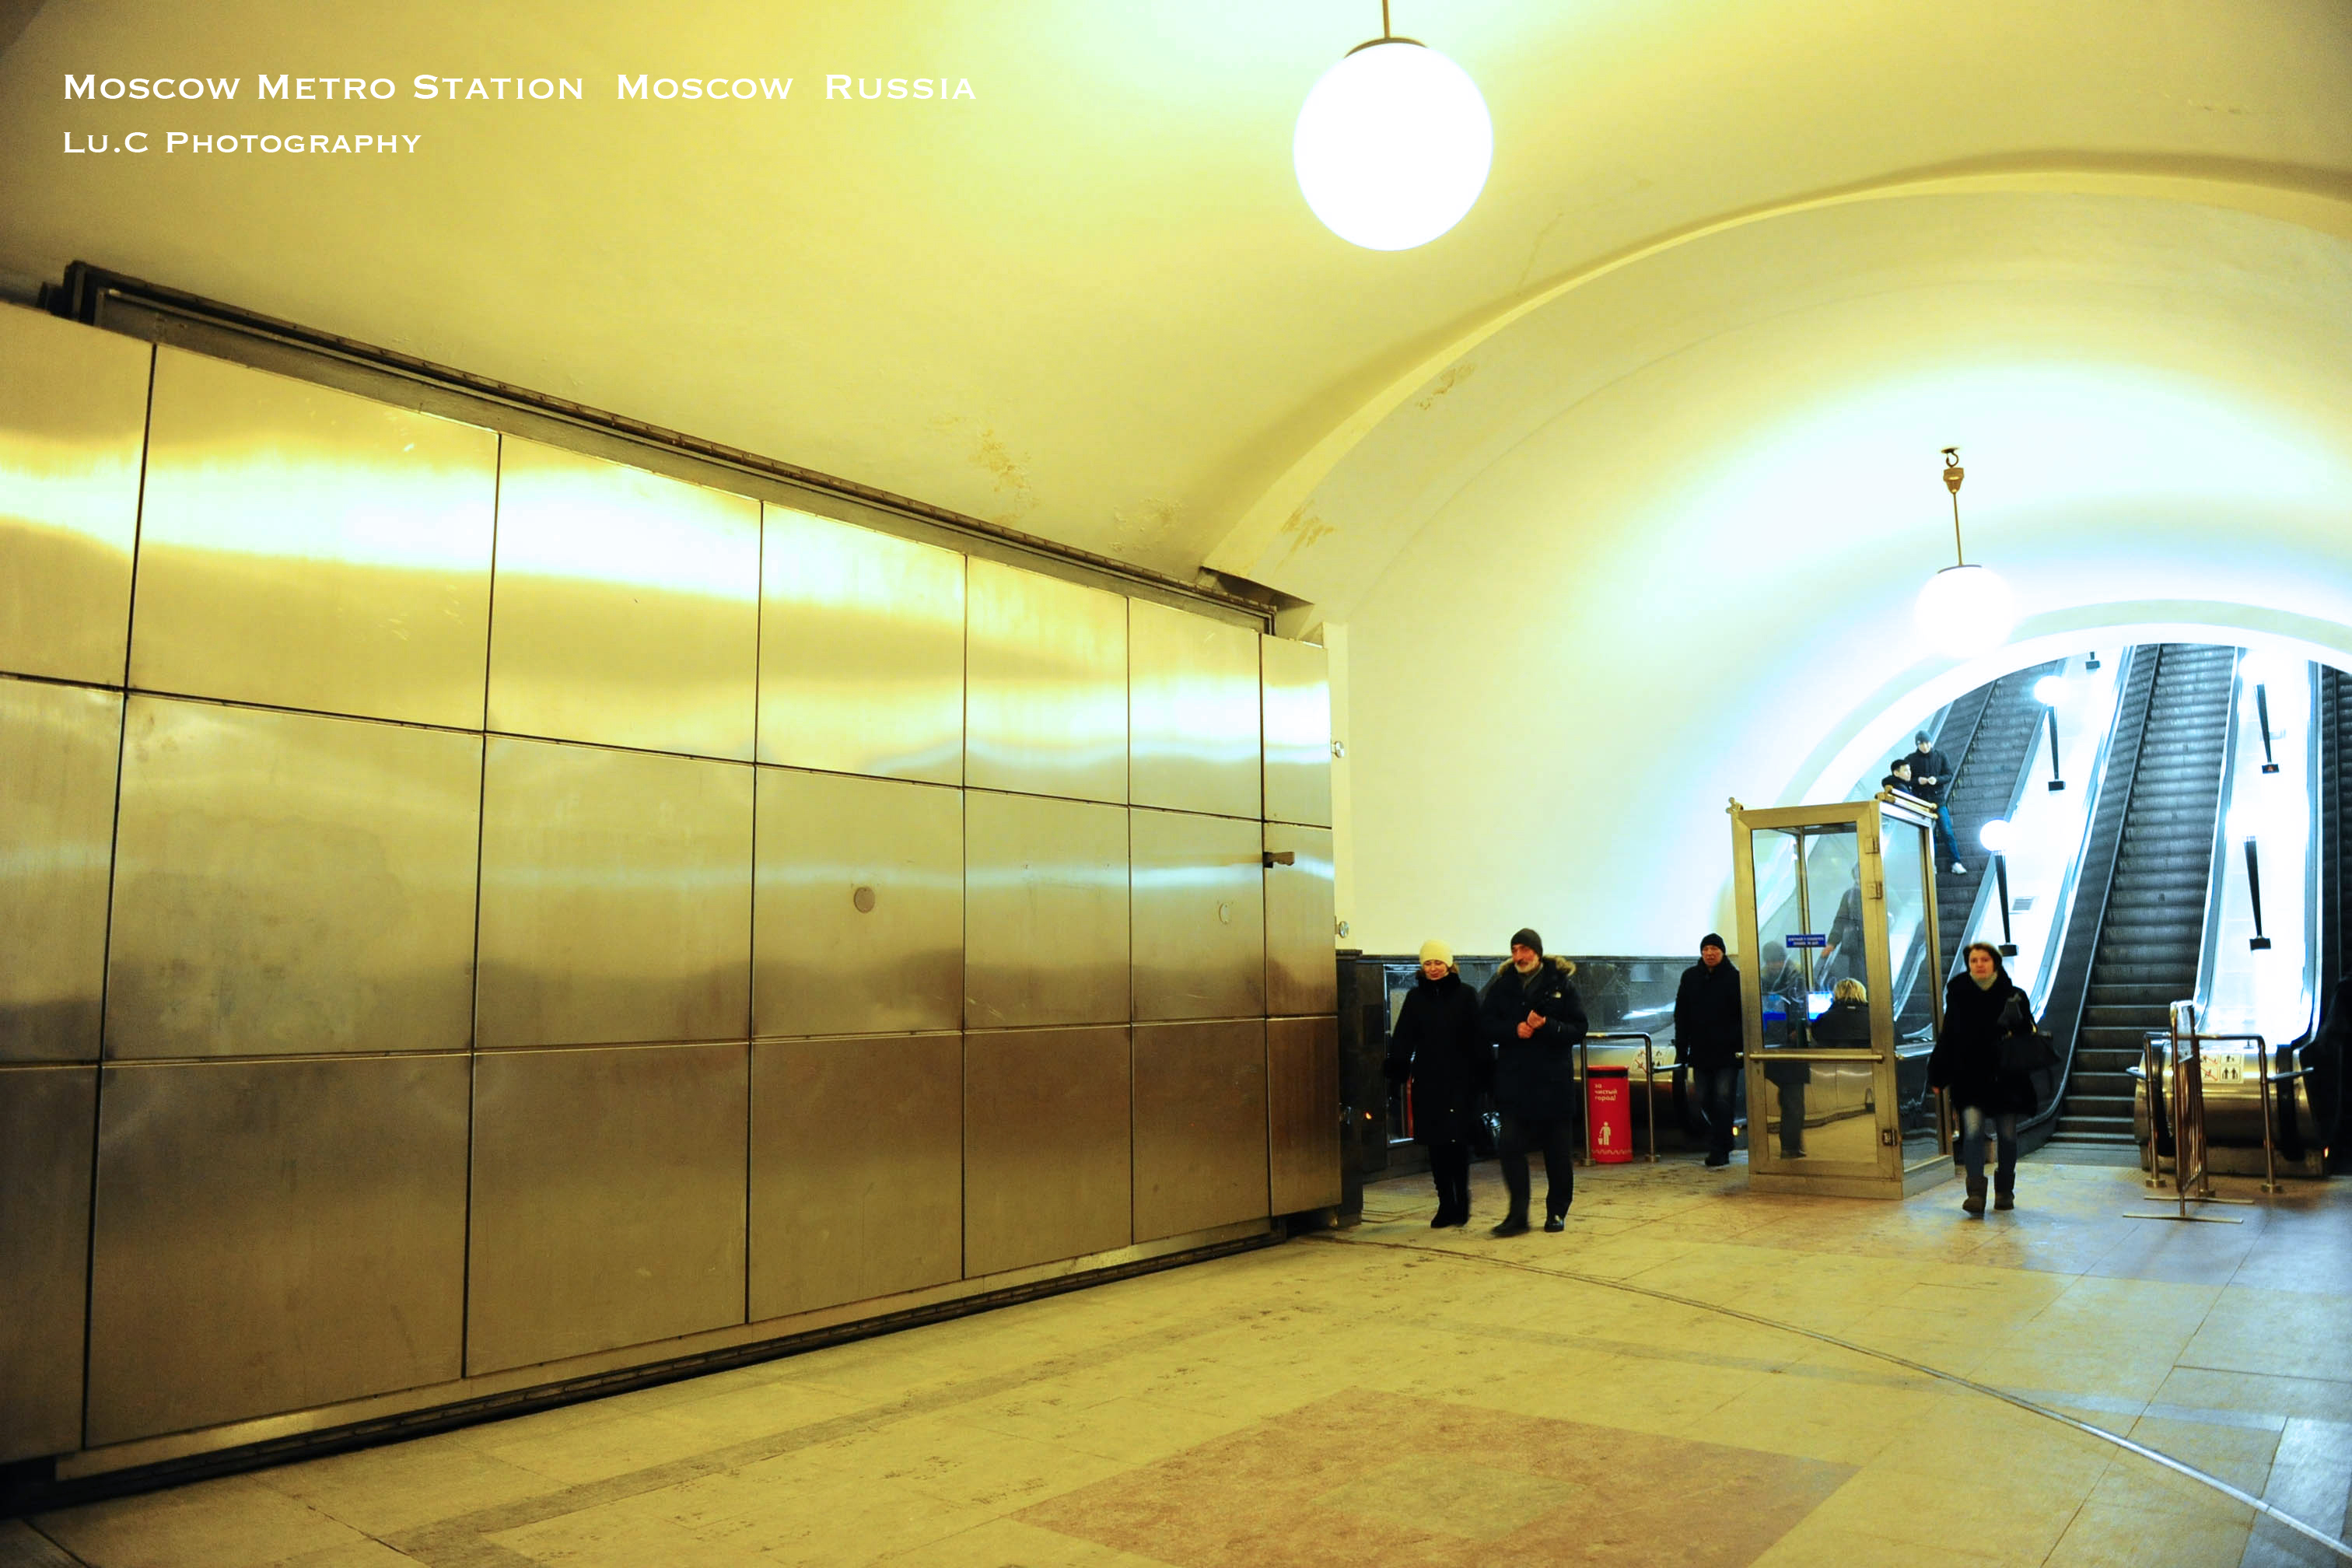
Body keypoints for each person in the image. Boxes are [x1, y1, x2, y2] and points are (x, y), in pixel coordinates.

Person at [1479, 928, 1587, 1236]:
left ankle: (1557, 1211)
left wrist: (1548, 1026)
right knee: (1509, 1146)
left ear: (1537, 952)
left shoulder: (1561, 985)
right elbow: (1485, 1024)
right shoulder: (1502, 985)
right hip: (1515, 1082)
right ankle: (1517, 1215)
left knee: (1557, 1152)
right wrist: (1514, 1030)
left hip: (1553, 1083)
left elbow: (1579, 1028)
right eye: (1514, 950)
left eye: (1525, 949)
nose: (1519, 956)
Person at [1384, 940, 1491, 1228]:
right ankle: (1445, 1204)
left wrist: (1484, 1077)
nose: (1433, 968)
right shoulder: (1415, 998)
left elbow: (1479, 1039)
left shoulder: (1466, 995)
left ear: (1449, 964)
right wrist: (1397, 1074)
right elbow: (1403, 1038)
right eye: (1428, 963)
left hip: (1461, 1082)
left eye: (1438, 963)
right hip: (1429, 1082)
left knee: (1457, 1143)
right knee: (1436, 1145)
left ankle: (1461, 1201)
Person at [1927, 942, 2040, 1214]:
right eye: (1974, 960)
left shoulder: (2014, 995)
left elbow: (2028, 1035)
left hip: (2006, 1078)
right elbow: (1948, 1037)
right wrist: (1937, 1075)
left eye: (1984, 960)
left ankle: (2005, 1191)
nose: (1979, 965)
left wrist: (2017, 1020)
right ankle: (1976, 1194)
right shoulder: (1958, 995)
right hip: (1970, 1077)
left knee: (2008, 1136)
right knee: (1973, 1133)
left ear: (1995, 963)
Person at [1673, 933, 1743, 1167]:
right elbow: (1681, 1014)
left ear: (1722, 952)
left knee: (1723, 1098)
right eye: (1706, 949)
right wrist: (1682, 1047)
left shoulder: (1734, 978)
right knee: (1704, 1098)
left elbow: (1742, 1014)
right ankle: (1724, 1140)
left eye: (1714, 949)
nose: (1710, 953)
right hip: (1701, 1052)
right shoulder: (1690, 977)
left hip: (1727, 1053)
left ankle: (1719, 1149)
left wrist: (1739, 1045)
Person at [1884, 757, 1965, 873]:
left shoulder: (1900, 784)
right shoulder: (1899, 786)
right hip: (1913, 819)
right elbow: (1910, 802)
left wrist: (1936, 780)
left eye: (1910, 770)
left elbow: (1949, 775)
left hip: (1933, 805)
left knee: (1936, 835)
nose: (1909, 773)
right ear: (1896, 773)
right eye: (1906, 770)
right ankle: (1937, 865)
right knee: (1933, 836)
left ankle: (1934, 865)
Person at [1909, 731, 1968, 877]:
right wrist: (1918, 781)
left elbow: (1949, 775)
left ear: (1931, 742)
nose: (1925, 746)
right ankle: (1931, 864)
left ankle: (1956, 862)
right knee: (1927, 834)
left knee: (1947, 832)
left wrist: (1936, 780)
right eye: (1922, 744)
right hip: (1921, 802)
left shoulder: (1940, 755)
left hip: (1938, 800)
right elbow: (1907, 780)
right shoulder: (1911, 759)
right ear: (1917, 745)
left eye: (1927, 743)